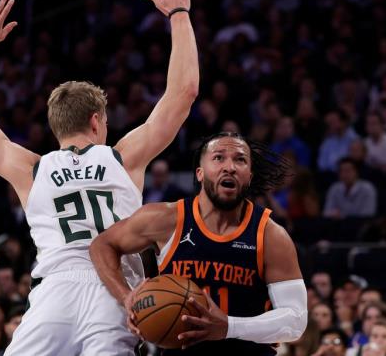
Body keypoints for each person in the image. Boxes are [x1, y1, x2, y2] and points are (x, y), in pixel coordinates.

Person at [0, 0, 199, 355]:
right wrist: (180, 15)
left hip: (55, 293)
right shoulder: (123, 158)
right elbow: (183, 92)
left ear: (56, 127)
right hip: (115, 287)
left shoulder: (31, 169)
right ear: (97, 120)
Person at [90, 133, 307, 354]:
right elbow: (101, 245)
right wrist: (126, 297)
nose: (229, 167)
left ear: (249, 176)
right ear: (200, 173)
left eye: (240, 159)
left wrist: (228, 327)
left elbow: (296, 320)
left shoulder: (270, 235)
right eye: (219, 158)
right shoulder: (165, 219)